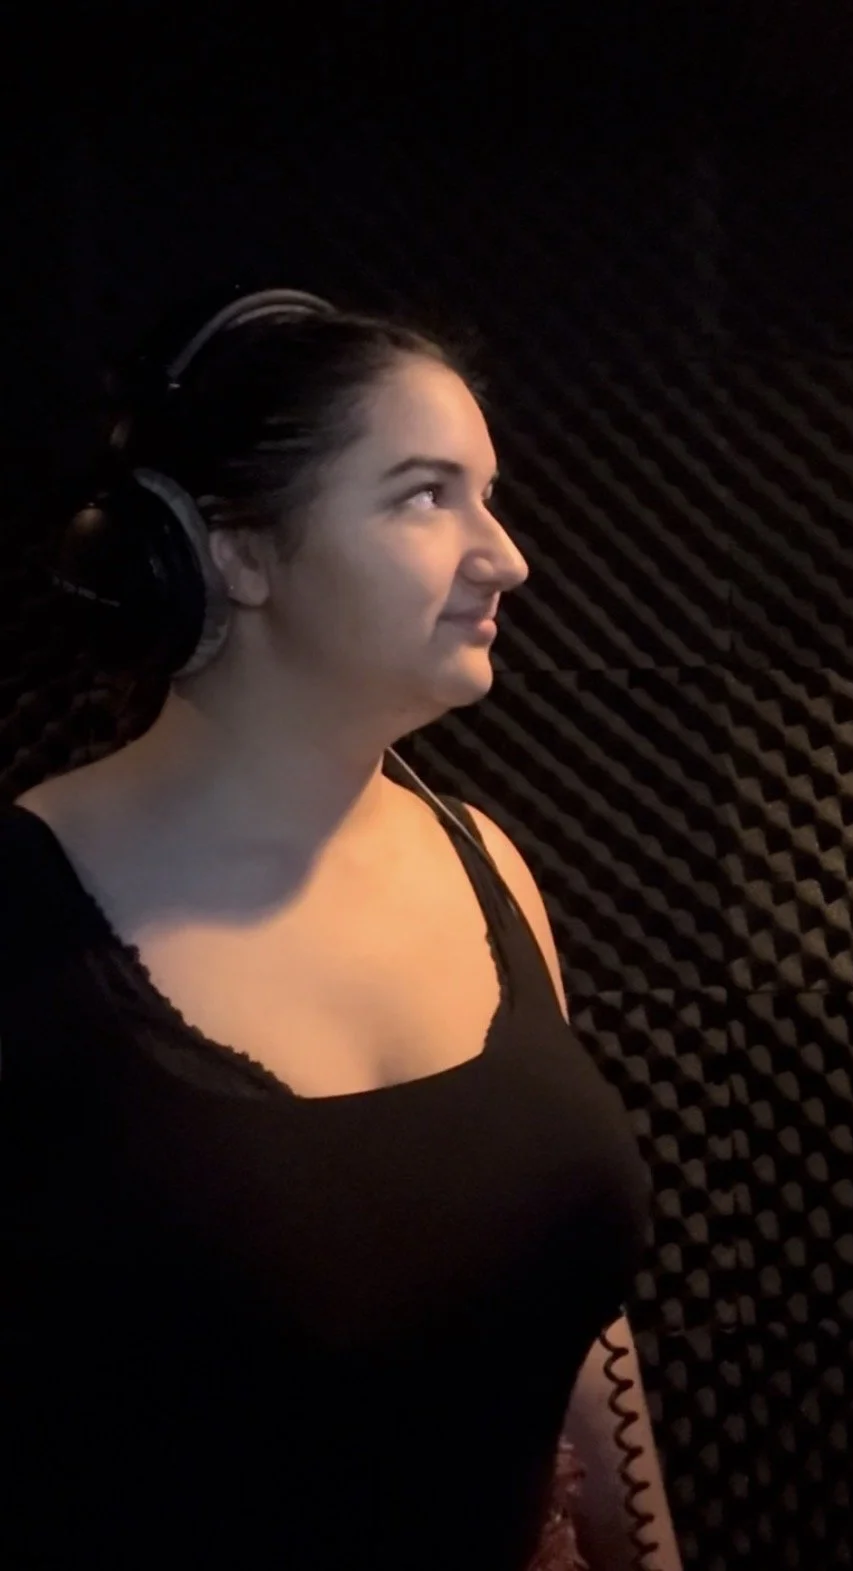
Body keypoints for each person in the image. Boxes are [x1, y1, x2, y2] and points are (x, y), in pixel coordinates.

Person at [0, 288, 683, 1569]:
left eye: (489, 495)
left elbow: (577, 1312)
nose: (506, 555)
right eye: (426, 495)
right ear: (232, 553)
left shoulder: (485, 863)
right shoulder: (21, 914)